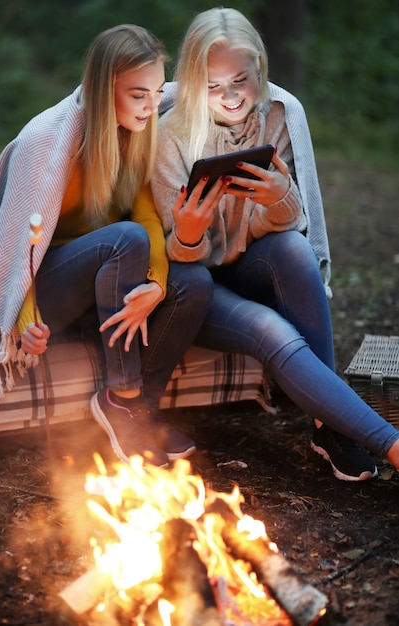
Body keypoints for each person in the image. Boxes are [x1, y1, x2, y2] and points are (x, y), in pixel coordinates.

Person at [147, 7, 399, 480]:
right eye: (213, 86)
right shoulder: (170, 138)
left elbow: (288, 228)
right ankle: (389, 443)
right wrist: (188, 231)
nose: (231, 97)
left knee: (294, 250)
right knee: (270, 330)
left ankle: (330, 424)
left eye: (241, 80)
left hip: (254, 265)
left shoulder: (281, 115)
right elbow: (178, 261)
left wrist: (281, 199)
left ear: (259, 68)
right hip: (198, 286)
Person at [0, 24, 214, 467]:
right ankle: (123, 396)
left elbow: (148, 215)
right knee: (125, 240)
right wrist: (26, 321)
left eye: (157, 91)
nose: (151, 106)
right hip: (46, 289)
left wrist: (156, 285)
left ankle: (134, 408)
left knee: (195, 284)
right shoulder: (48, 144)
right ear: (104, 89)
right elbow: (16, 252)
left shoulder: (138, 133)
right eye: (137, 94)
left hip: (104, 285)